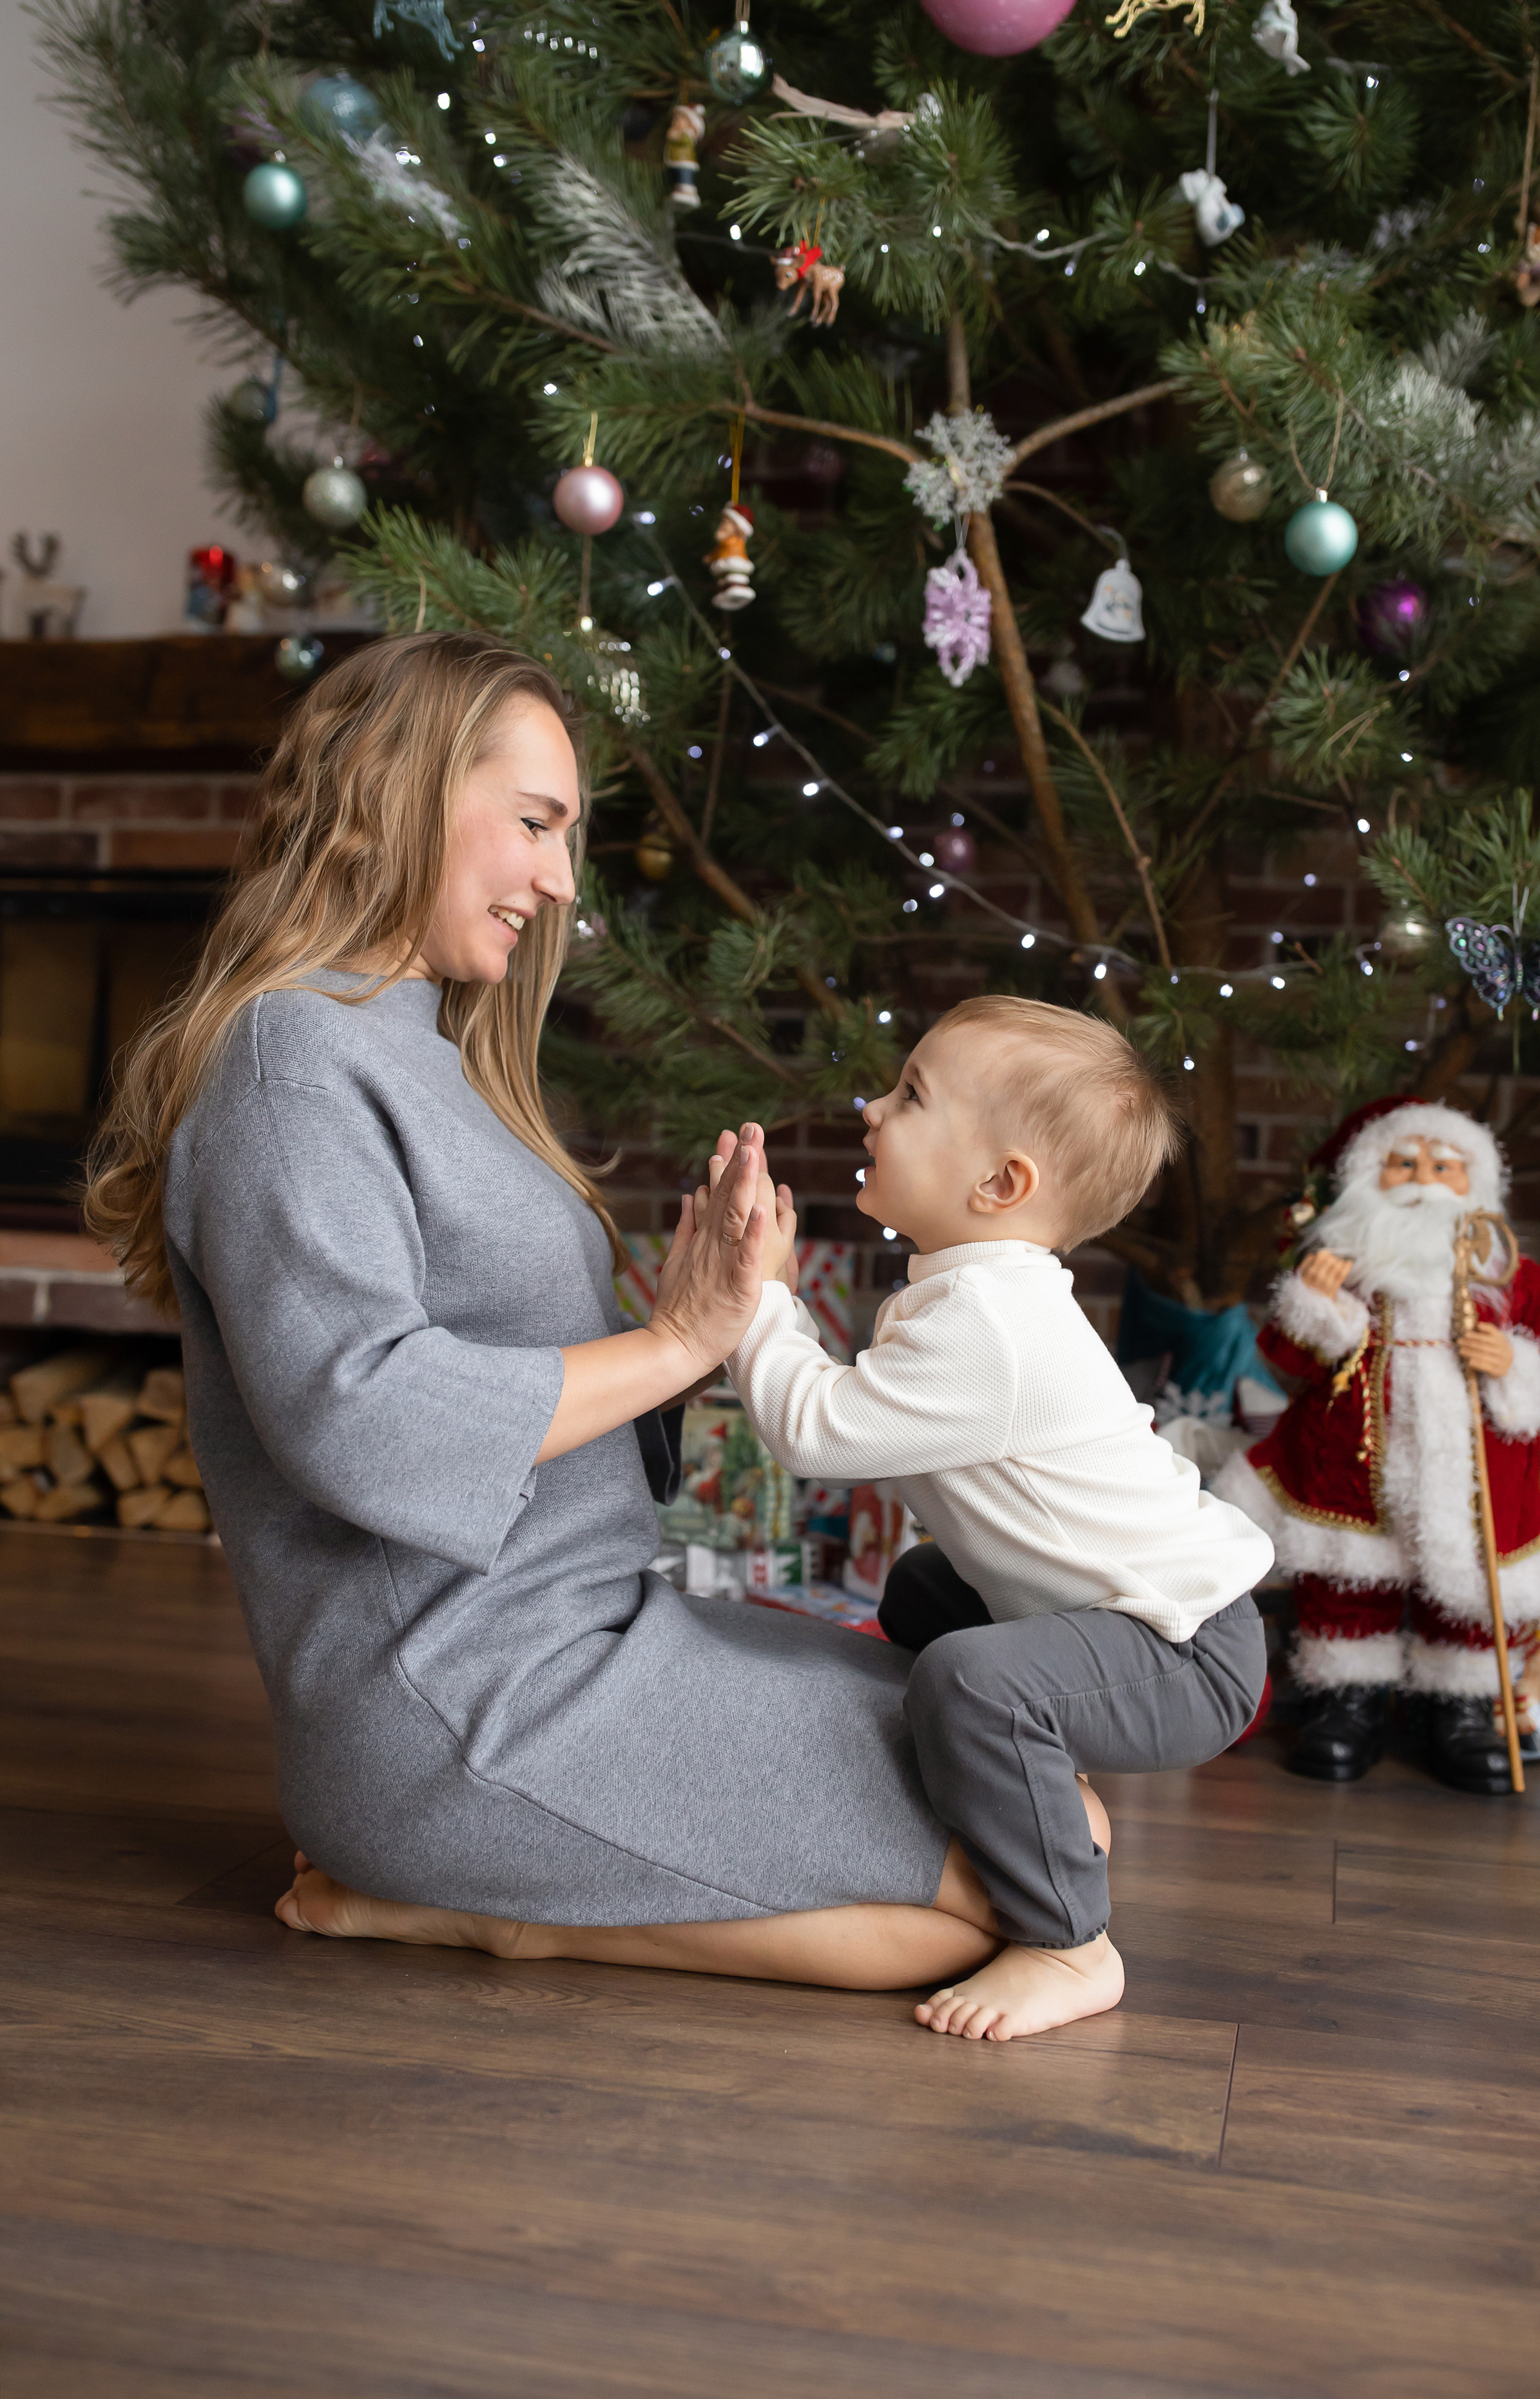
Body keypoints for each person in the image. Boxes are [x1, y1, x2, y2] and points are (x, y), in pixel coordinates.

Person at [86, 630, 1014, 2006]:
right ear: (399, 790)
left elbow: (539, 1401)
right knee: (1014, 1890)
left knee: (1032, 1800)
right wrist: (676, 1338)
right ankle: (487, 1915)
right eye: (534, 824)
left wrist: (705, 1313)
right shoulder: (290, 1064)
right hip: (457, 1698)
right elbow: (362, 1416)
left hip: (594, 1631)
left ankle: (469, 1898)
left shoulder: (421, 1048)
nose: (560, 880)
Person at [721, 997, 1273, 2044]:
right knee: (925, 1590)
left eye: (912, 1095)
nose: (874, 1108)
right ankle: (1012, 1770)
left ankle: (1069, 1943)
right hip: (1138, 1618)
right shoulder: (976, 1294)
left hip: (1186, 1651)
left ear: (1001, 1183)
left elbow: (816, 1430)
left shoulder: (995, 1325)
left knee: (966, 1676)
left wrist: (759, 1296)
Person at [1210, 1099, 1540, 1794]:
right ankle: (1347, 1699)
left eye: (1442, 1166)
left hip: (1473, 1471)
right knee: (1349, 1579)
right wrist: (1319, 1307)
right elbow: (1286, 1355)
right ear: (1365, 1175)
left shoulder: (1510, 1277)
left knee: (1469, 1587)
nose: (1421, 1179)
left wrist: (1509, 1362)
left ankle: (1465, 1704)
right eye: (1402, 1163)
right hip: (1353, 1465)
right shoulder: (1343, 1265)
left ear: (1472, 1181)